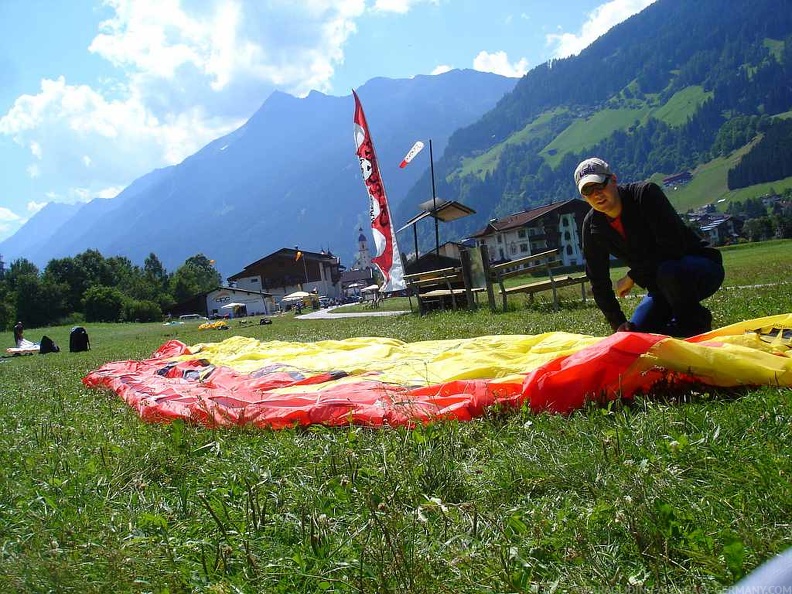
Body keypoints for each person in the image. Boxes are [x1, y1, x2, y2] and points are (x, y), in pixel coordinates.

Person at [575, 157, 724, 337]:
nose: (596, 194)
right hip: (660, 285)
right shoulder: (592, 226)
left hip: (698, 268)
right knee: (636, 336)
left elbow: (672, 246)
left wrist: (632, 276)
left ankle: (694, 324)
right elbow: (598, 280)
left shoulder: (645, 194)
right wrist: (618, 322)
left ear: (613, 180)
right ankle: (679, 325)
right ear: (584, 197)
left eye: (600, 185)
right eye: (588, 190)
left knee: (669, 271)